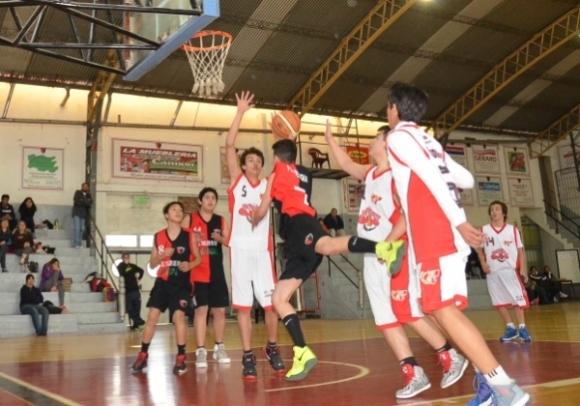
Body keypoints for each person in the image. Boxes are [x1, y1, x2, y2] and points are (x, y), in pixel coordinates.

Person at [384, 82, 530, 406]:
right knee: (435, 309)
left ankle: (505, 389)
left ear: (395, 108)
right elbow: (466, 179)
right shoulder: (428, 140)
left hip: (435, 231)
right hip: (443, 232)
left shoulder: (398, 137)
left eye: (387, 106)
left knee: (440, 309)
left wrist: (460, 222)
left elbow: (432, 178)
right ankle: (490, 383)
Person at [326, 123, 468, 398]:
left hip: (396, 253)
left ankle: (450, 355)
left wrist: (388, 243)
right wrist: (330, 140)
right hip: (372, 257)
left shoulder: (397, 177)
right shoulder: (369, 174)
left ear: (388, 143)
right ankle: (413, 373)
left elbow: (407, 216)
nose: (370, 143)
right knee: (386, 319)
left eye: (375, 138)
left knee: (407, 312)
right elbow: (344, 162)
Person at [251, 138, 403, 381]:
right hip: (302, 235)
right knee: (279, 298)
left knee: (329, 246)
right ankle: (302, 351)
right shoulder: (303, 174)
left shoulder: (274, 174)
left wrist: (253, 217)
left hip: (299, 226)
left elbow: (261, 210)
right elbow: (294, 167)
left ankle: (383, 249)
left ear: (277, 159)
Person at [223, 91, 284, 379]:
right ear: (244, 165)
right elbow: (229, 144)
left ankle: (271, 347)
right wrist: (240, 112)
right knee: (244, 307)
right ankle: (247, 355)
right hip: (240, 251)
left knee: (272, 304)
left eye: (259, 160)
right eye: (251, 160)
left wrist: (285, 133)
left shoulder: (269, 184)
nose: (256, 163)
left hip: (263, 253)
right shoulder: (237, 181)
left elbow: (283, 163)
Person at [132, 201, 202, 375]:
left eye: (180, 210)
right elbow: (152, 264)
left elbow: (199, 258)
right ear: (166, 215)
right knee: (152, 317)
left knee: (178, 316)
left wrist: (190, 264)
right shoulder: (158, 236)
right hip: (162, 283)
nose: (178, 212)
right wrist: (162, 255)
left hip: (181, 284)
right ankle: (143, 354)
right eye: (174, 209)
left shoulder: (189, 235)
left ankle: (181, 356)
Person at [181, 188, 231, 370]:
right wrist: (192, 239)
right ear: (200, 201)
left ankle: (219, 347)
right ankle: (201, 350)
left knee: (219, 312)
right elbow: (180, 242)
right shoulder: (190, 219)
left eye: (213, 198)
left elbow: (230, 241)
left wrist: (221, 238)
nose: (210, 200)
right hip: (197, 272)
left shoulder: (221, 220)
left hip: (216, 272)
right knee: (201, 311)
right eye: (207, 197)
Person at [477, 201, 532, 342]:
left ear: (503, 213)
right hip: (493, 272)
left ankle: (522, 328)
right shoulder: (484, 230)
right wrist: (483, 262)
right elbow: (479, 249)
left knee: (517, 300)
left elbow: (520, 251)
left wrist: (523, 269)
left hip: (509, 270)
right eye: (491, 209)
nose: (493, 212)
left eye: (496, 209)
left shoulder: (512, 230)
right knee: (498, 301)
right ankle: (510, 328)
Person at [117, 253, 145, 331]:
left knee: (137, 309)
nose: (126, 259)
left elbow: (142, 271)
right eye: (125, 257)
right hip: (128, 291)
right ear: (122, 258)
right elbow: (121, 272)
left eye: (127, 257)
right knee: (129, 309)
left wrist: (139, 278)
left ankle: (136, 326)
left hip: (136, 290)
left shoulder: (133, 266)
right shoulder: (121, 266)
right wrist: (125, 264)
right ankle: (141, 322)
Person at [72, 182, 92, 248]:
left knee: (81, 229)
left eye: (87, 186)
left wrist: (83, 200)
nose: (85, 187)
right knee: (77, 228)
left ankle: (80, 244)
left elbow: (90, 202)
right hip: (77, 213)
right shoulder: (78, 192)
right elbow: (76, 201)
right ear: (82, 187)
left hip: (83, 214)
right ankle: (76, 243)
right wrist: (85, 201)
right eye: (84, 186)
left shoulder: (88, 195)